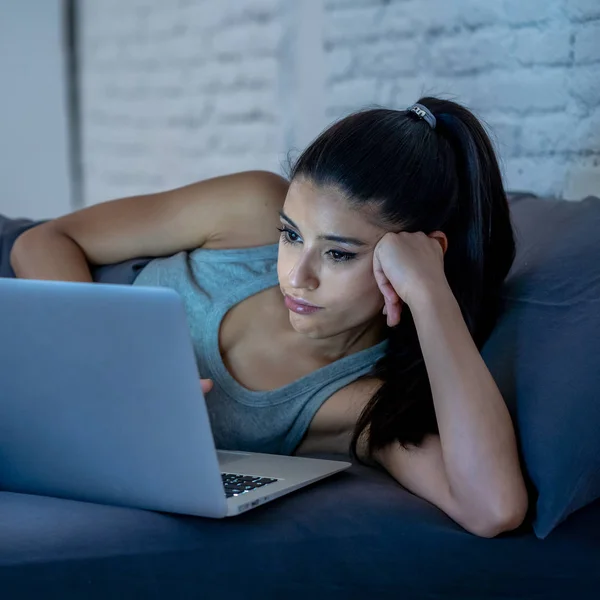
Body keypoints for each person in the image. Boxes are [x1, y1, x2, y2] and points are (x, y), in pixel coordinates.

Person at [10, 97, 529, 538]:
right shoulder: (249, 207)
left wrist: (431, 294)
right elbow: (45, 241)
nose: (296, 276)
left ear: (419, 257)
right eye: (291, 234)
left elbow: (493, 508)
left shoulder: (358, 405)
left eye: (339, 254)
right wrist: (105, 364)